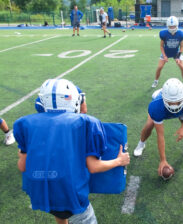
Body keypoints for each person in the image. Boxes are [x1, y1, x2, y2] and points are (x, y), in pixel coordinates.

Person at [14, 78, 130, 224]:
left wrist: (23, 154)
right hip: (70, 193)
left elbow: (22, 166)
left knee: (60, 212)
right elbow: (93, 167)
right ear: (73, 100)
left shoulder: (24, 123)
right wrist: (119, 161)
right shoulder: (87, 123)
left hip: (40, 192)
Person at [133, 78, 183, 178]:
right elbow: (160, 135)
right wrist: (163, 160)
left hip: (182, 108)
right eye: (170, 102)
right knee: (149, 125)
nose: (174, 105)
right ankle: (141, 144)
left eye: (177, 102)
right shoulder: (156, 106)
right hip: (162, 109)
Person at [152, 16, 183, 88]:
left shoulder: (181, 34)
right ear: (167, 26)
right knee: (159, 67)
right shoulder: (164, 33)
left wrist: (178, 57)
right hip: (166, 52)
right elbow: (161, 46)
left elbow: (181, 47)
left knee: (182, 66)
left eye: (173, 26)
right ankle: (155, 81)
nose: (172, 28)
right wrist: (164, 56)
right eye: (170, 26)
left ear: (177, 25)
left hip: (176, 52)